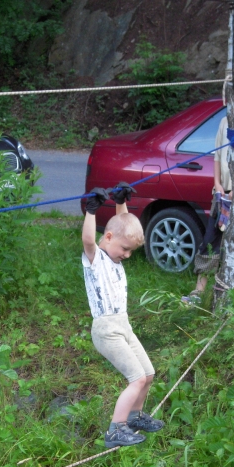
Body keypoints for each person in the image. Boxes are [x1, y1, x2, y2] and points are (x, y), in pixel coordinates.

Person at [82, 183, 165, 448]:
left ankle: (134, 416)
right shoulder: (95, 259)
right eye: (125, 249)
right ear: (107, 238)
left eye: (130, 251)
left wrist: (120, 202)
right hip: (106, 330)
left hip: (123, 326)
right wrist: (91, 210)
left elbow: (122, 225)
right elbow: (89, 240)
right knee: (136, 378)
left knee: (148, 374)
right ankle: (116, 429)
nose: (127, 255)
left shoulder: (115, 250)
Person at [181, 116, 232, 305]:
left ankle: (230, 295)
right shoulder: (225, 121)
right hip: (221, 195)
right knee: (210, 241)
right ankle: (199, 292)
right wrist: (217, 184)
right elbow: (218, 156)